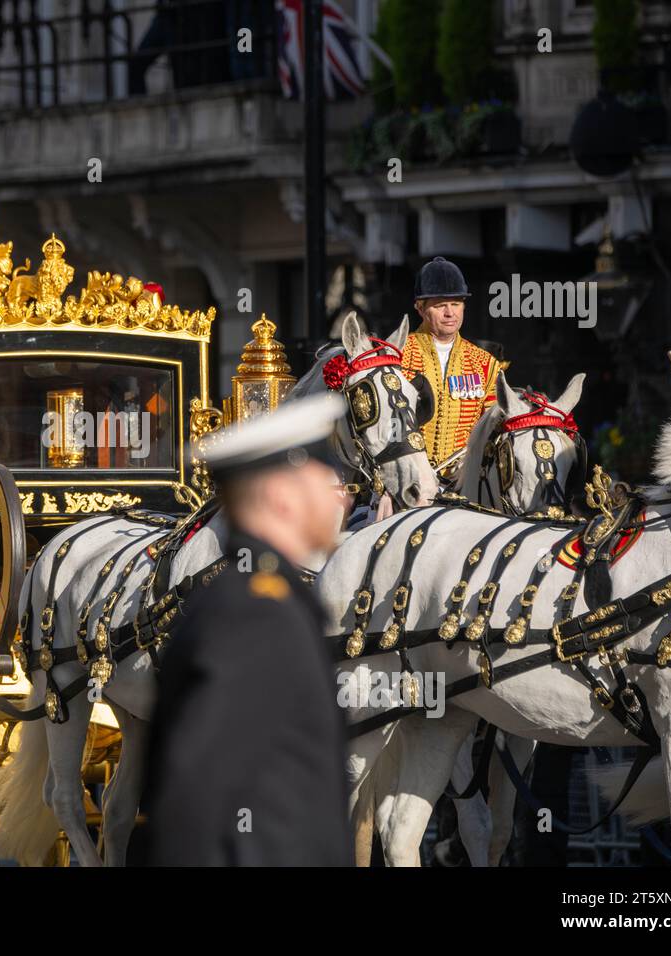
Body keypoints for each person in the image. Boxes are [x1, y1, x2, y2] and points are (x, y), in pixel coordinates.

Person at [140, 392, 355, 866]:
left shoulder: (265, 599)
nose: (340, 493)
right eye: (326, 478)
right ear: (282, 496)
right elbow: (195, 800)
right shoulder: (256, 614)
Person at [400, 256, 507, 479]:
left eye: (456, 304)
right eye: (440, 305)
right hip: (408, 480)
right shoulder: (398, 355)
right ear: (420, 308)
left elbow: (496, 425)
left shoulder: (484, 363)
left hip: (465, 483)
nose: (450, 313)